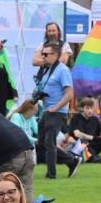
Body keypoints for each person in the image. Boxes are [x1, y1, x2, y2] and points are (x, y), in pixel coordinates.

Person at [33, 42, 75, 180]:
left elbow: (69, 94)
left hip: (57, 111)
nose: (42, 57)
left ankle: (51, 174)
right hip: (47, 110)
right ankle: (71, 160)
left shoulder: (63, 70)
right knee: (42, 142)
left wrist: (55, 107)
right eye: (42, 54)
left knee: (49, 142)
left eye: (46, 54)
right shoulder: (47, 69)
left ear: (56, 55)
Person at [65, 96, 101, 163]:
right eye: (87, 108)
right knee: (82, 141)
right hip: (79, 148)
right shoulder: (76, 118)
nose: (90, 110)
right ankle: (95, 158)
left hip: (92, 146)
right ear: (82, 108)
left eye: (91, 108)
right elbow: (77, 134)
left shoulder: (95, 119)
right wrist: (92, 137)